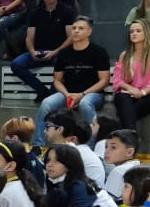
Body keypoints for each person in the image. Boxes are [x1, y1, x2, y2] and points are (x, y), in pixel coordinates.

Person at [34, 16, 110, 146]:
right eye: (74, 28)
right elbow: (57, 80)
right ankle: (37, 145)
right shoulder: (64, 53)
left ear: (89, 32)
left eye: (81, 28)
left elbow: (104, 80)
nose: (76, 31)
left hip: (92, 94)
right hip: (67, 93)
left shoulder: (99, 52)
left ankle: (89, 146)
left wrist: (82, 94)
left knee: (85, 103)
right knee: (46, 103)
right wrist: (67, 94)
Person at [40, 142, 118, 207]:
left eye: (57, 161)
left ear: (70, 164)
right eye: (48, 160)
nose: (50, 165)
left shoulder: (78, 184)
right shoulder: (55, 182)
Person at [12, 0, 75, 102]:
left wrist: (55, 52)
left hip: (59, 53)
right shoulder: (35, 13)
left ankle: (52, 94)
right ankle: (42, 91)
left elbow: (71, 38)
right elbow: (29, 37)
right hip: (40, 51)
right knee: (16, 64)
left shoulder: (67, 11)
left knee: (64, 62)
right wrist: (32, 52)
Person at [112, 20, 150, 132]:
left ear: (146, 33)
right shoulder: (124, 55)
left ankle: (129, 136)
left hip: (149, 96)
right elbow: (117, 80)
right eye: (131, 31)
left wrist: (142, 92)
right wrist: (131, 89)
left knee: (125, 111)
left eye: (138, 31)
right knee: (122, 99)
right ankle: (132, 135)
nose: (134, 33)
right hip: (128, 94)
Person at [102, 129, 140, 198]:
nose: (106, 151)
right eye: (106, 147)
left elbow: (107, 201)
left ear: (130, 152)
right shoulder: (137, 166)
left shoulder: (119, 171)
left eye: (113, 147)